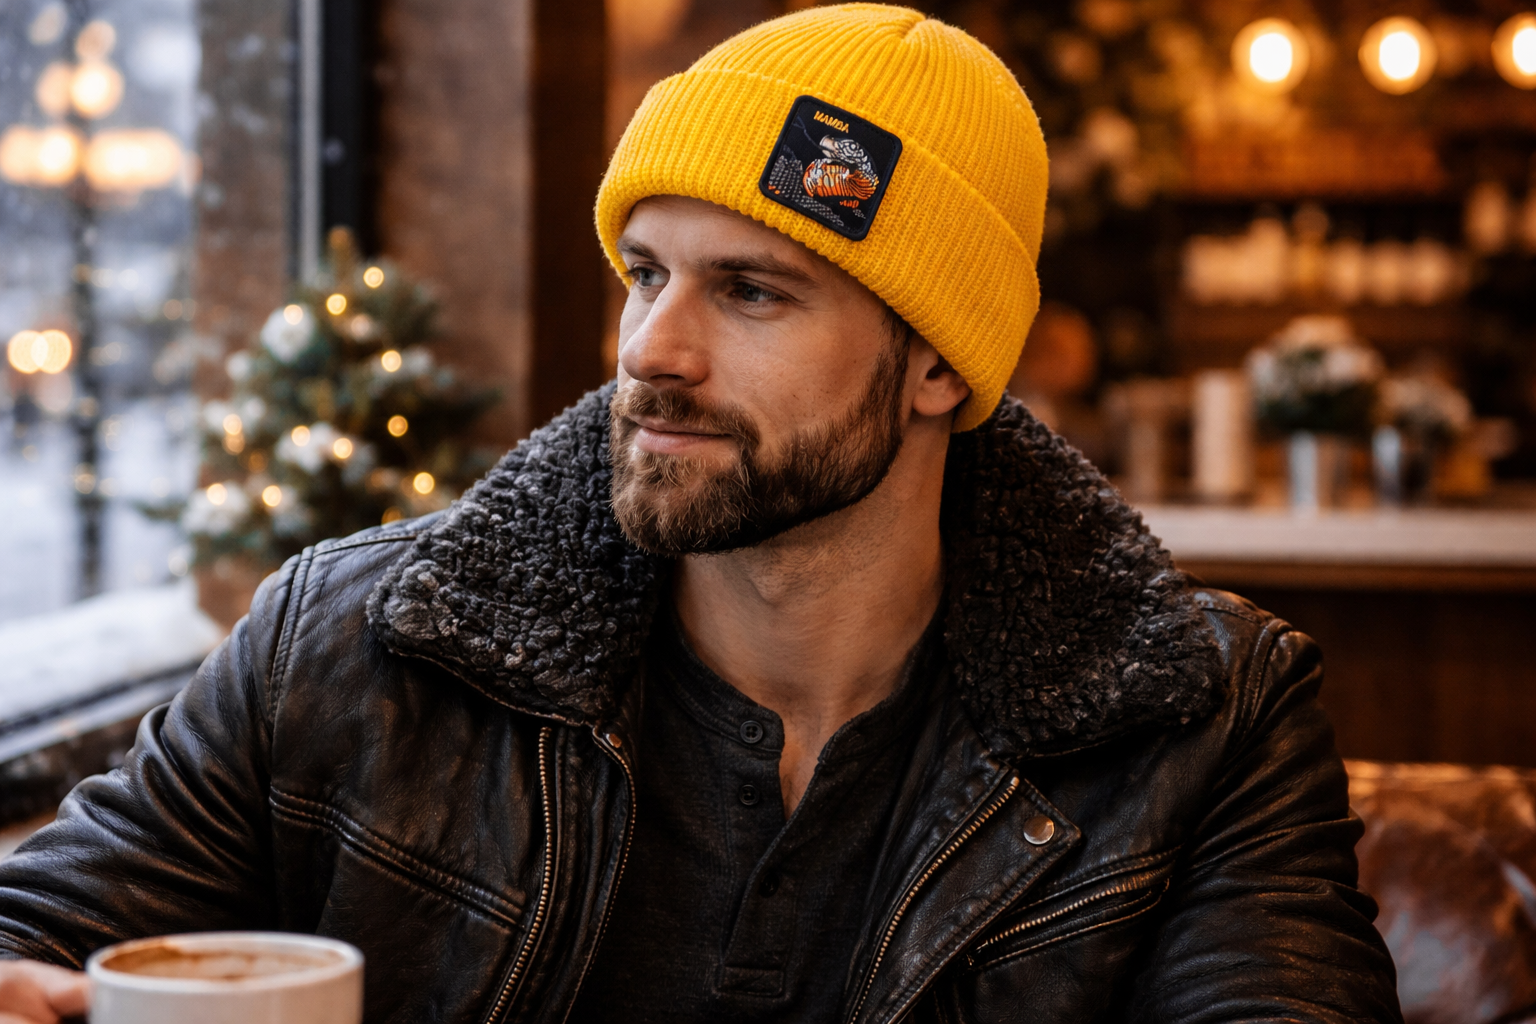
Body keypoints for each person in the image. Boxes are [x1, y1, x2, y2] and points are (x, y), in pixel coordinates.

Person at [0, 6, 1400, 1022]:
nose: (651, 352)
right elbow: (39, 932)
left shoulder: (1204, 721)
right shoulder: (351, 645)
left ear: (936, 364)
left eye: (752, 291)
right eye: (645, 274)